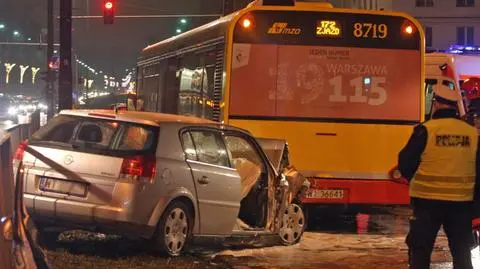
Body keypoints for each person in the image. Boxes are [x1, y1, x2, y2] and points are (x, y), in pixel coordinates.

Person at [398, 84, 480, 269]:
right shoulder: (472, 133)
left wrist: (415, 179)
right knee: (461, 251)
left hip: (427, 202)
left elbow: (405, 161)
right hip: (461, 203)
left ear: (436, 104)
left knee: (420, 249)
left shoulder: (426, 129)